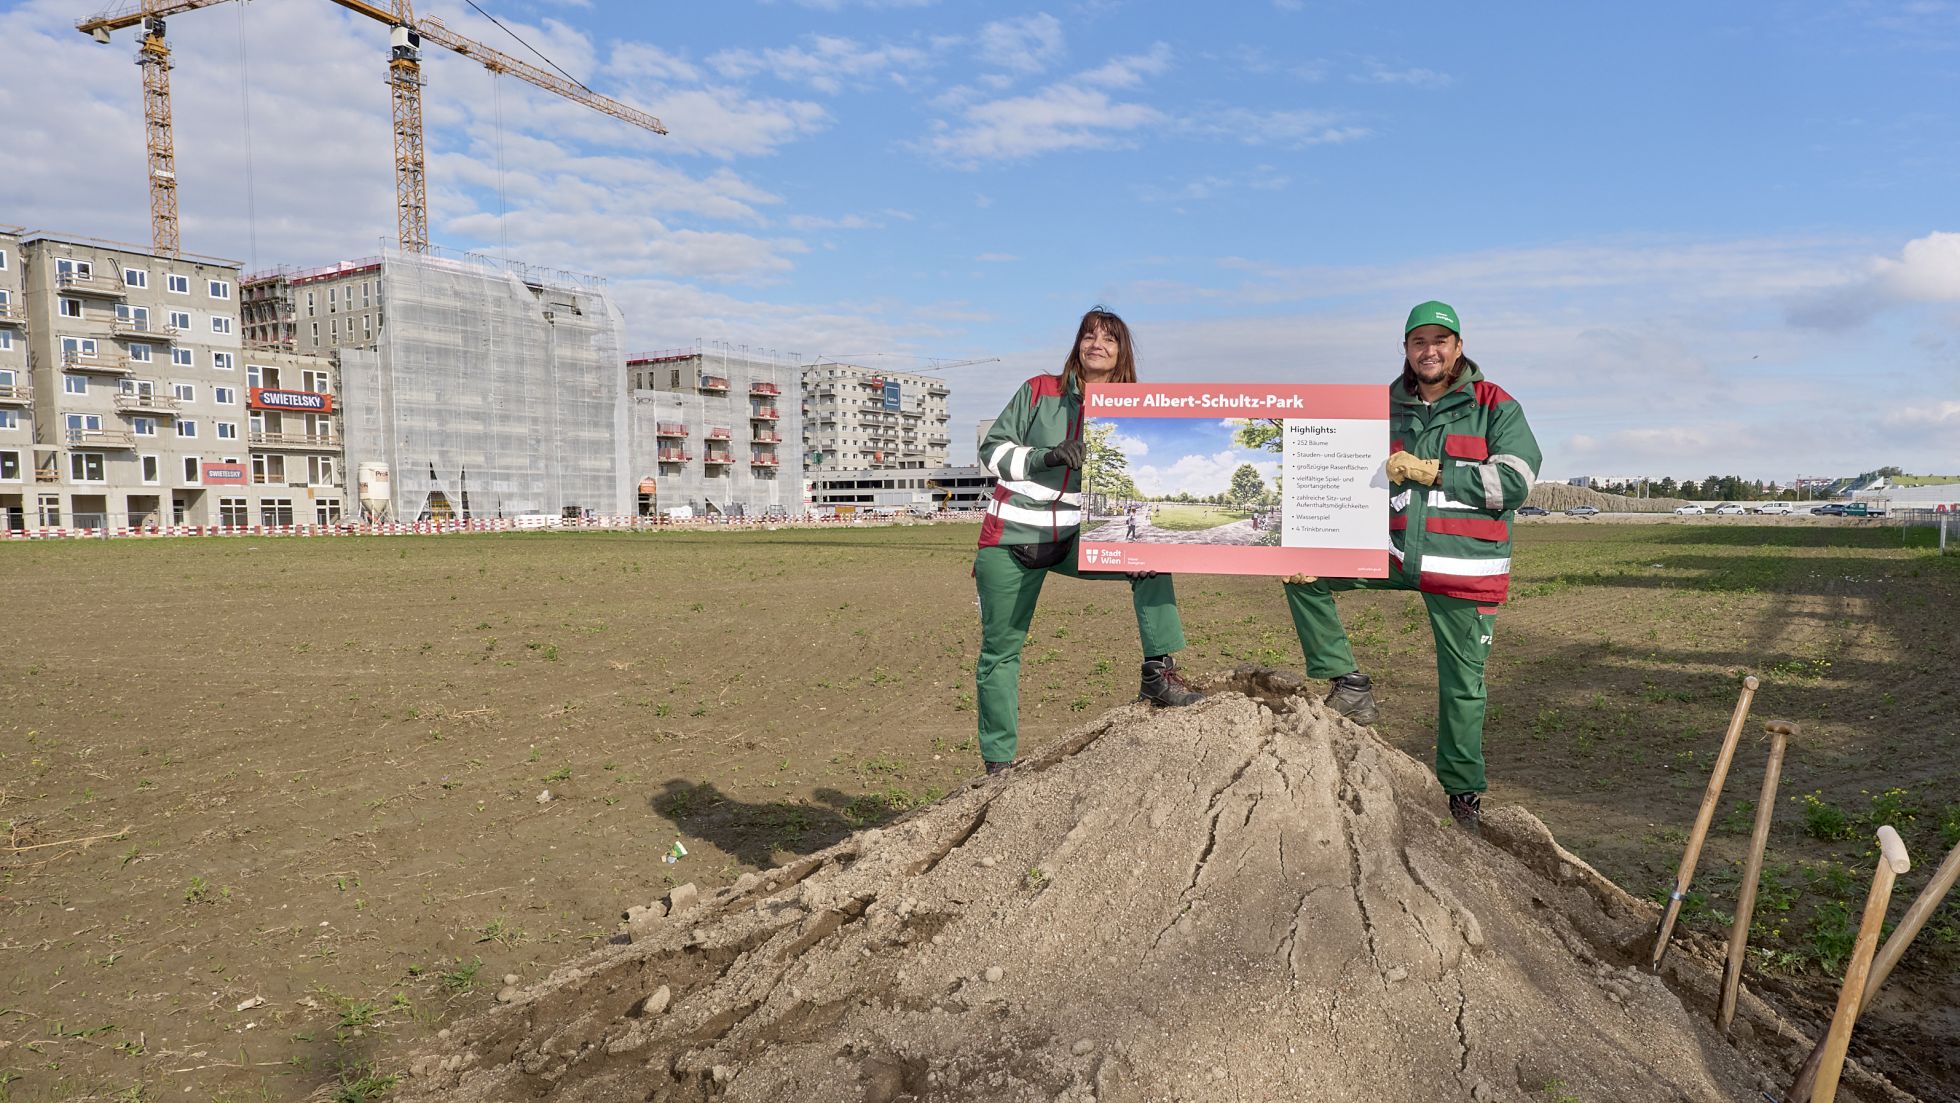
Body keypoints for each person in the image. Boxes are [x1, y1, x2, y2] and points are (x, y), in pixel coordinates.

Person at [1282, 301, 1541, 830]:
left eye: (1440, 341)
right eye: (1419, 341)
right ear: (1405, 348)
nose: (1430, 351)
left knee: (1463, 686)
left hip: (1464, 567)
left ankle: (1462, 795)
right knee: (1300, 571)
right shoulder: (1381, 407)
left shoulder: (1495, 406)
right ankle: (1348, 681)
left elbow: (1516, 483)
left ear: (1458, 347)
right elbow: (1335, 463)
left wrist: (1435, 473)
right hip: (1392, 554)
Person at [974, 307, 1204, 775]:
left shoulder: (1131, 410)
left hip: (1074, 540)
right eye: (1089, 335)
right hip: (1012, 539)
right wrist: (1046, 457)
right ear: (1078, 344)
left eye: (1109, 339)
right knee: (1001, 651)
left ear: (1121, 353)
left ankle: (1157, 673)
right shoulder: (1039, 390)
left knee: (1150, 560)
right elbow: (992, 450)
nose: (1097, 344)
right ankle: (999, 764)